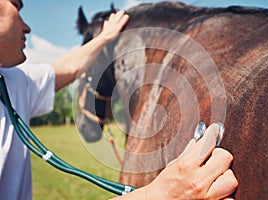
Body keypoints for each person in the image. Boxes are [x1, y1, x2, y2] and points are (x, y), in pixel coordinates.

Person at [0, 0, 238, 199]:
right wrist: (161, 193)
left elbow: (69, 66)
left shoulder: (13, 81)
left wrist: (105, 37)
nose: (27, 26)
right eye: (15, 6)